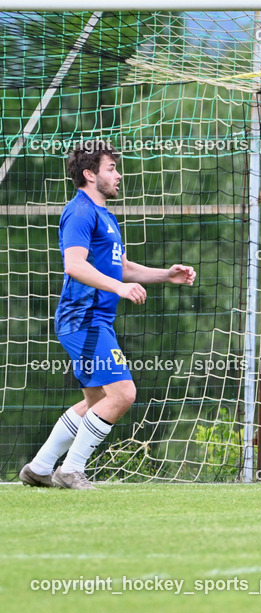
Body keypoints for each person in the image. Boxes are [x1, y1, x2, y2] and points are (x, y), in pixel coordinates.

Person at [19, 141, 196, 490]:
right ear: (89, 174)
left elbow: (123, 267)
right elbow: (74, 265)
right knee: (123, 394)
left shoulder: (105, 215)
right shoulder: (80, 211)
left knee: (97, 401)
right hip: (83, 319)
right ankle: (71, 470)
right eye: (111, 168)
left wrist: (165, 275)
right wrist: (117, 289)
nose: (118, 174)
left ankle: (39, 469)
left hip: (94, 321)